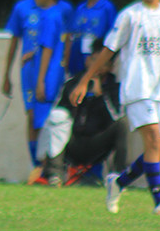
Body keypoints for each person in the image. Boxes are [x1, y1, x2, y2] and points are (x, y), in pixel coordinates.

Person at [70, 0, 160, 216]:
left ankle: (119, 182)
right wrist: (85, 79)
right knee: (152, 139)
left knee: (159, 151)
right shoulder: (129, 15)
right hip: (138, 89)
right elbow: (108, 50)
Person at [1, 0, 71, 168]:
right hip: (29, 72)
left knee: (49, 119)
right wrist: (6, 74)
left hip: (49, 74)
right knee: (32, 117)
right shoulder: (22, 7)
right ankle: (37, 166)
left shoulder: (61, 10)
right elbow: (15, 41)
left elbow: (65, 40)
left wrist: (64, 65)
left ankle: (47, 167)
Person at [37, 38, 127, 186]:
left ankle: (120, 177)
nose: (97, 67)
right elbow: (59, 113)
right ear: (87, 61)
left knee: (123, 124)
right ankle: (55, 174)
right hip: (72, 140)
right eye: (94, 60)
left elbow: (113, 117)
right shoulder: (73, 83)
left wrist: (99, 96)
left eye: (103, 63)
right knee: (57, 116)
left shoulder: (114, 88)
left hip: (97, 142)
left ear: (110, 67)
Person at [63, 0, 118, 77]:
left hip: (96, 69)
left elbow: (113, 39)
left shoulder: (107, 8)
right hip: (76, 66)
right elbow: (70, 35)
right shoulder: (80, 8)